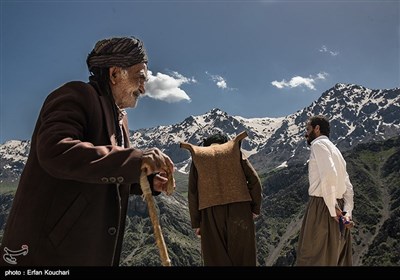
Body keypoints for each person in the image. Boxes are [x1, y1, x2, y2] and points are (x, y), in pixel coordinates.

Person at [0, 36, 175, 266]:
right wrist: (134, 160)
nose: (143, 88)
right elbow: (56, 151)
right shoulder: (76, 95)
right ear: (114, 74)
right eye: (139, 78)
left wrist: (146, 179)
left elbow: (105, 170)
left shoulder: (121, 120)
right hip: (47, 254)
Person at [180, 130, 262, 266]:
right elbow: (254, 181)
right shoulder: (233, 152)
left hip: (210, 213)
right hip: (240, 209)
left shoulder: (200, 156)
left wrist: (197, 223)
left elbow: (192, 192)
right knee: (243, 258)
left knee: (216, 259)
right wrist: (254, 208)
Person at [296, 115, 354, 266]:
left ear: (317, 128)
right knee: (333, 258)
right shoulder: (336, 151)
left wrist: (332, 208)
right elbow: (348, 187)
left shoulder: (318, 145)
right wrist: (347, 212)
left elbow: (328, 175)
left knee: (311, 257)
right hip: (340, 210)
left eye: (308, 129)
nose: (305, 134)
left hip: (322, 207)